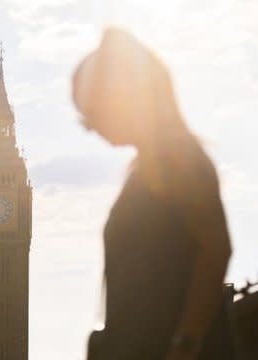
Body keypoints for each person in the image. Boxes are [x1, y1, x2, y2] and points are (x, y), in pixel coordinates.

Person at [72, 28, 235, 360]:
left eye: (91, 115)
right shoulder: (145, 169)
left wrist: (184, 345)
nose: (93, 129)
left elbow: (216, 248)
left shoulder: (177, 157)